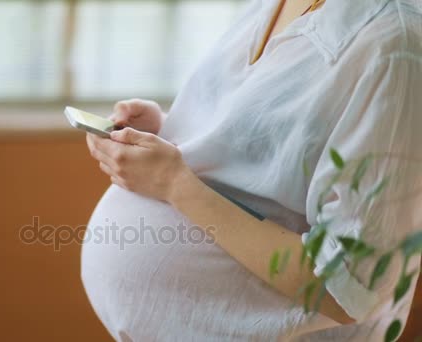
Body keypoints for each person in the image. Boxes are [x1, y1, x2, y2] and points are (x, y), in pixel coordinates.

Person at [81, 0, 422, 340]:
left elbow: (346, 289)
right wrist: (171, 132)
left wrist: (174, 183)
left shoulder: (396, 47)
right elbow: (273, 158)